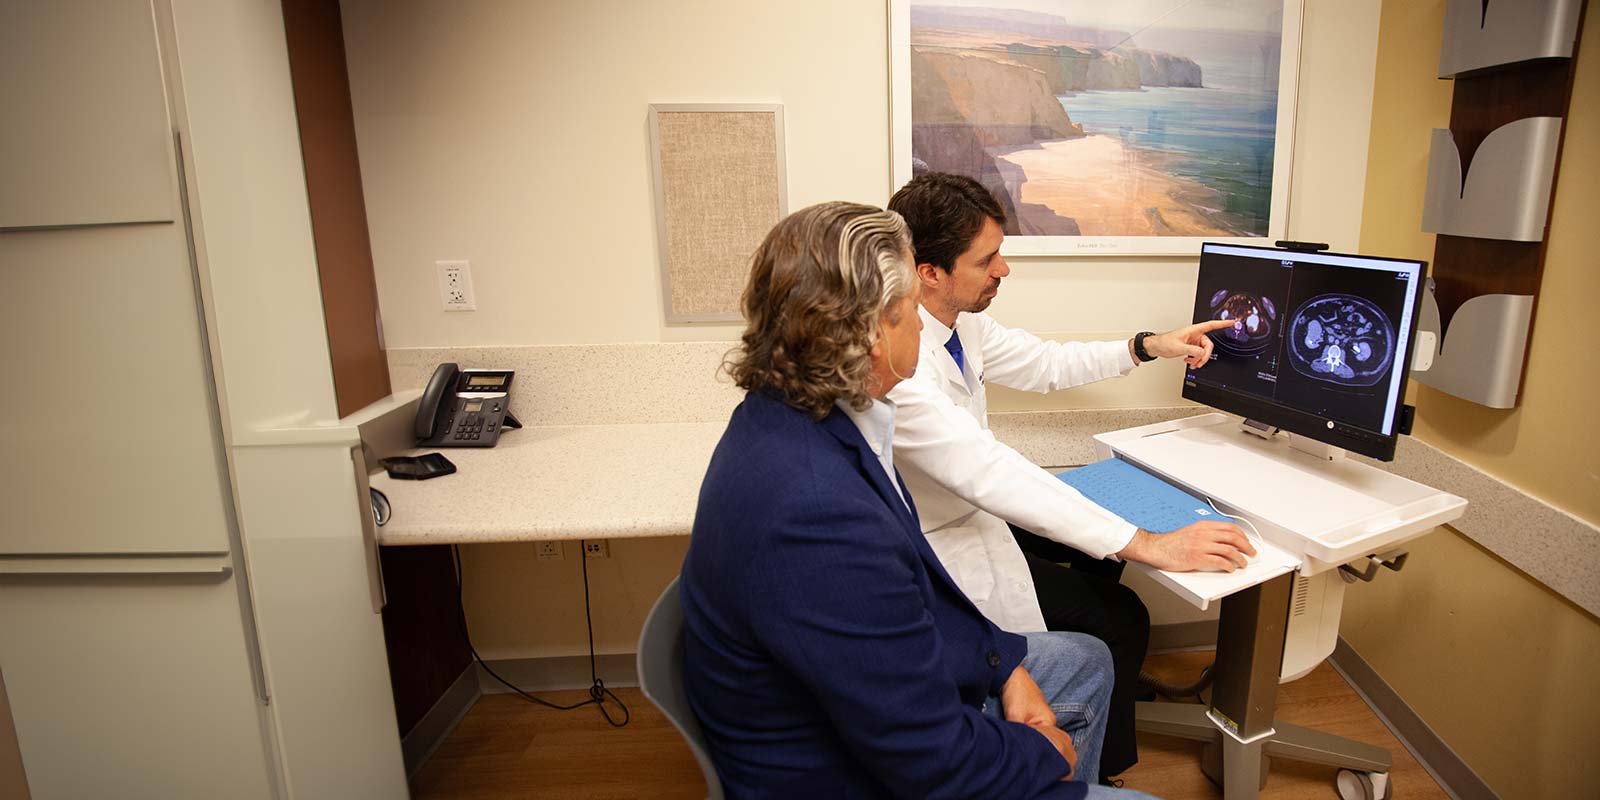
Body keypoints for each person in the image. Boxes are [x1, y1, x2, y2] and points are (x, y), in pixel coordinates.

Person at [679, 201, 1158, 799]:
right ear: (872, 334)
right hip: (847, 774)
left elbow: (922, 594)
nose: (922, 327)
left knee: (1084, 658)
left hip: (869, 711)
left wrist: (1002, 661)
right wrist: (1036, 753)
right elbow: (930, 760)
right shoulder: (816, 513)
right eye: (909, 312)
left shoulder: (805, 419)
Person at [885, 173, 1255, 782]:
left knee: (1100, 558)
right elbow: (985, 470)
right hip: (943, 535)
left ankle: (1098, 695)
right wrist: (1149, 544)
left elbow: (1047, 362)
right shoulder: (902, 361)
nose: (1004, 269)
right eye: (988, 258)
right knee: (1122, 616)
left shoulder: (960, 322)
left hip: (972, 503)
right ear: (929, 271)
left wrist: (1147, 345)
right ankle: (1099, 766)